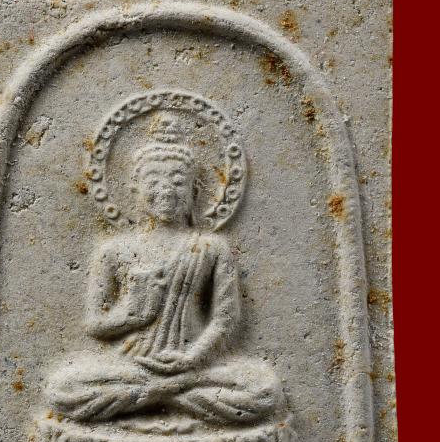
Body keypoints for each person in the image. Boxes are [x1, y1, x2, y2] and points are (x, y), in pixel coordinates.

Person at [46, 115, 285, 425]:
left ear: (195, 190)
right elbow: (95, 324)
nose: (166, 190)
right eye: (154, 181)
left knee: (263, 390)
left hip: (194, 366)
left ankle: (148, 396)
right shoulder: (114, 251)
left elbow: (225, 319)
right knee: (62, 388)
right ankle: (170, 394)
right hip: (131, 365)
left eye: (177, 181)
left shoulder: (211, 248)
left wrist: (191, 358)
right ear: (134, 187)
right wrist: (132, 316)